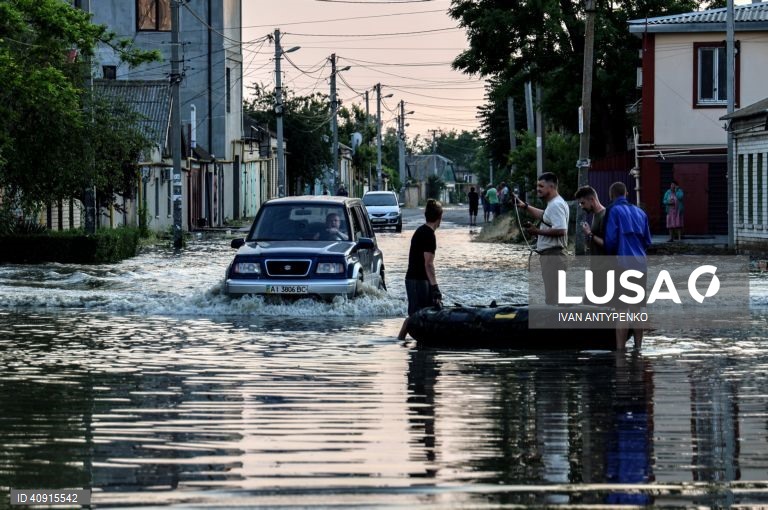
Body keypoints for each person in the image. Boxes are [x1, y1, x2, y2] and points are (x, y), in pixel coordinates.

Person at [604, 182, 652, 351]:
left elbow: (610, 241)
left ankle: (620, 351)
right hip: (640, 265)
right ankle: (638, 348)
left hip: (621, 264)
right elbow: (648, 241)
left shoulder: (613, 210)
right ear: (626, 193)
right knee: (637, 310)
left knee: (622, 311)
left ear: (611, 196)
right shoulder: (641, 212)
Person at [515, 172, 569, 305]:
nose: (537, 189)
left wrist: (536, 231)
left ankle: (555, 324)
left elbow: (561, 230)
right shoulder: (554, 203)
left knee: (553, 299)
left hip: (553, 256)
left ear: (551, 187)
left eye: (541, 186)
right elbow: (545, 216)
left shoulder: (556, 205)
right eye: (537, 186)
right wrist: (525, 207)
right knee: (555, 297)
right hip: (553, 256)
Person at [398, 199, 444, 340]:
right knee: (416, 315)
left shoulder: (421, 231)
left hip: (417, 279)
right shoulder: (429, 235)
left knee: (426, 312)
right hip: (417, 280)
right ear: (439, 217)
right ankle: (399, 340)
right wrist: (435, 287)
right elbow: (428, 264)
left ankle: (422, 343)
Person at [575, 186, 609, 302]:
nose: (582, 206)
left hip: (604, 270)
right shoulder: (595, 215)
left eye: (583, 203)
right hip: (596, 268)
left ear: (592, 200)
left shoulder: (605, 216)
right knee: (588, 305)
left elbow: (607, 244)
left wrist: (589, 234)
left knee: (592, 306)